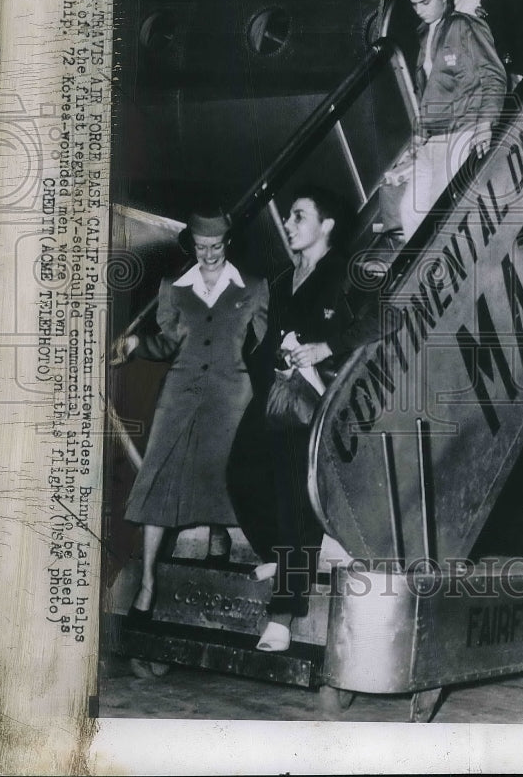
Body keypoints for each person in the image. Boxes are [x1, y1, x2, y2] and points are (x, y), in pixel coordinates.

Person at [235, 186, 381, 653]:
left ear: (327, 225)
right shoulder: (281, 280)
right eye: (290, 217)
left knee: (296, 497)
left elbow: (388, 319)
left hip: (322, 401)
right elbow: (263, 343)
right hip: (279, 394)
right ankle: (283, 555)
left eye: (299, 216)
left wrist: (326, 347)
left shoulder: (347, 272)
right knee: (241, 474)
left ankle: (284, 612)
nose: (290, 224)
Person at [110, 211, 269, 619]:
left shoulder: (253, 288)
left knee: (227, 479)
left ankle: (220, 542)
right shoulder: (173, 289)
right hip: (179, 398)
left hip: (232, 399)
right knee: (157, 482)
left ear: (227, 243)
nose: (209, 254)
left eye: (216, 247)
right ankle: (147, 583)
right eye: (201, 247)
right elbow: (167, 344)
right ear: (192, 244)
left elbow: (263, 349)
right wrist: (135, 344)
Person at [383, 0, 507, 241]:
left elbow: (494, 76)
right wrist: (419, 134)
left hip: (460, 133)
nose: (419, 11)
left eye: (425, 2)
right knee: (411, 212)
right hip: (432, 139)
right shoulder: (425, 34)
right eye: (414, 5)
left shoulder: (465, 27)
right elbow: (430, 92)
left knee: (444, 218)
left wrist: (485, 125)